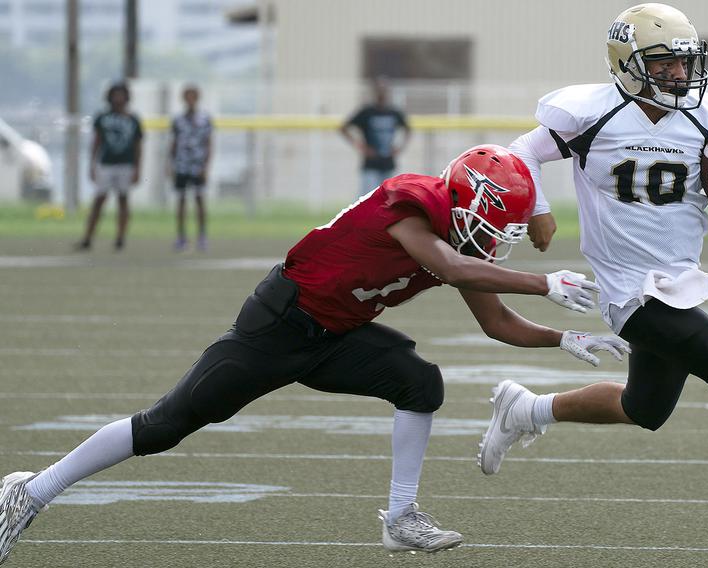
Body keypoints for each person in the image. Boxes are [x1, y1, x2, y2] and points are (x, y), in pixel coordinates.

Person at [0, 144, 631, 563]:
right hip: (279, 323)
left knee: (420, 382)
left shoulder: (461, 242)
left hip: (335, 336)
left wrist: (563, 337)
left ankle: (401, 517)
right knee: (166, 426)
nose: (499, 243)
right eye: (496, 227)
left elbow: (493, 321)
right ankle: (32, 490)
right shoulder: (410, 204)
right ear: (466, 201)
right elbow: (444, 262)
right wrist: (545, 283)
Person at [477, 3, 708, 559]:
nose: (678, 75)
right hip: (627, 290)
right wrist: (538, 206)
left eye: (684, 63)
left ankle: (526, 409)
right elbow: (522, 152)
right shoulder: (591, 113)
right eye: (662, 63)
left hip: (678, 281)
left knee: (646, 408)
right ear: (626, 62)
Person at [75, 82, 143, 251]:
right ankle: (88, 237)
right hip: (106, 164)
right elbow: (96, 142)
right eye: (115, 94)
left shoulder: (133, 119)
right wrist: (91, 164)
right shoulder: (102, 118)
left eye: (121, 94)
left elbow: (137, 146)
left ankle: (120, 238)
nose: (118, 98)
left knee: (123, 200)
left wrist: (138, 168)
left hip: (126, 165)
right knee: (99, 200)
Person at [340, 77, 411, 198]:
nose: (381, 93)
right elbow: (344, 128)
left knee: (389, 200)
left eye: (384, 90)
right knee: (367, 199)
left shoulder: (393, 112)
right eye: (379, 90)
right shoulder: (367, 111)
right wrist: (360, 146)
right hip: (371, 164)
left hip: (388, 162)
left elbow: (408, 129)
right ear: (374, 92)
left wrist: (400, 148)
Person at [168, 85, 213, 252]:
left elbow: (208, 144)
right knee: (181, 200)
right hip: (181, 164)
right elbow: (173, 144)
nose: (190, 99)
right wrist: (171, 165)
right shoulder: (178, 120)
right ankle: (181, 237)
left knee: (199, 200)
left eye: (193, 96)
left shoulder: (205, 119)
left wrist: (206, 166)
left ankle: (202, 237)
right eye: (187, 96)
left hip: (197, 165)